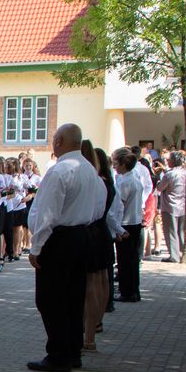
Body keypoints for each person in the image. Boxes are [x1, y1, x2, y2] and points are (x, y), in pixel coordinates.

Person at [26, 123, 105, 371]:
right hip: (82, 235)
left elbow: (47, 214)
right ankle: (73, 351)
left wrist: (36, 247)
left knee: (51, 298)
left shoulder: (60, 170)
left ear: (59, 141)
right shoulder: (88, 169)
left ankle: (59, 354)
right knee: (73, 296)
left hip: (60, 239)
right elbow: (98, 207)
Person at [81, 145, 118, 352]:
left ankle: (89, 334)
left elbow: (90, 212)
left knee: (92, 284)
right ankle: (96, 323)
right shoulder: (106, 182)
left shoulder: (95, 182)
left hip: (93, 231)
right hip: (102, 231)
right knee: (102, 280)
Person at [112, 148, 146, 302]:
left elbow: (120, 205)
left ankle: (127, 291)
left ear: (123, 164)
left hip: (126, 223)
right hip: (135, 221)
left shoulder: (125, 181)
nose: (114, 167)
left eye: (116, 163)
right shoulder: (134, 177)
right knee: (132, 259)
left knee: (125, 260)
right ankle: (134, 290)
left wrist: (116, 226)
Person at [157, 150, 186, 262]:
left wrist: (158, 181)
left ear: (173, 161)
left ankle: (174, 256)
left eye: (169, 159)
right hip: (182, 205)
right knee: (181, 231)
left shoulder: (169, 174)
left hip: (170, 205)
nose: (167, 161)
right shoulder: (185, 173)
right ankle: (182, 252)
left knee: (170, 231)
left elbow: (160, 188)